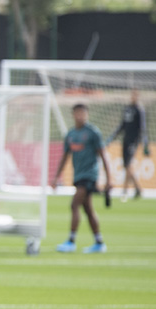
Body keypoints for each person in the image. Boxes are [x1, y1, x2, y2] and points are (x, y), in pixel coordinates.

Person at [52, 103, 112, 254]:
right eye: (78, 113)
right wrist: (56, 177)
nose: (81, 116)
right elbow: (65, 157)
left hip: (89, 175)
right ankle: (99, 242)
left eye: (83, 113)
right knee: (88, 209)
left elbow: (103, 155)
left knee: (74, 205)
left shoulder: (93, 133)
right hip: (78, 175)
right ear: (73, 115)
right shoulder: (71, 135)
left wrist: (109, 179)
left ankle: (71, 241)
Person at [106, 90, 148, 201]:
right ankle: (137, 188)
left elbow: (143, 128)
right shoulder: (127, 109)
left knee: (128, 164)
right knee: (126, 165)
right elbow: (122, 125)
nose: (133, 97)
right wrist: (112, 138)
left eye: (135, 96)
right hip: (125, 140)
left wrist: (145, 144)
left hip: (134, 141)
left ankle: (125, 191)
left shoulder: (139, 110)